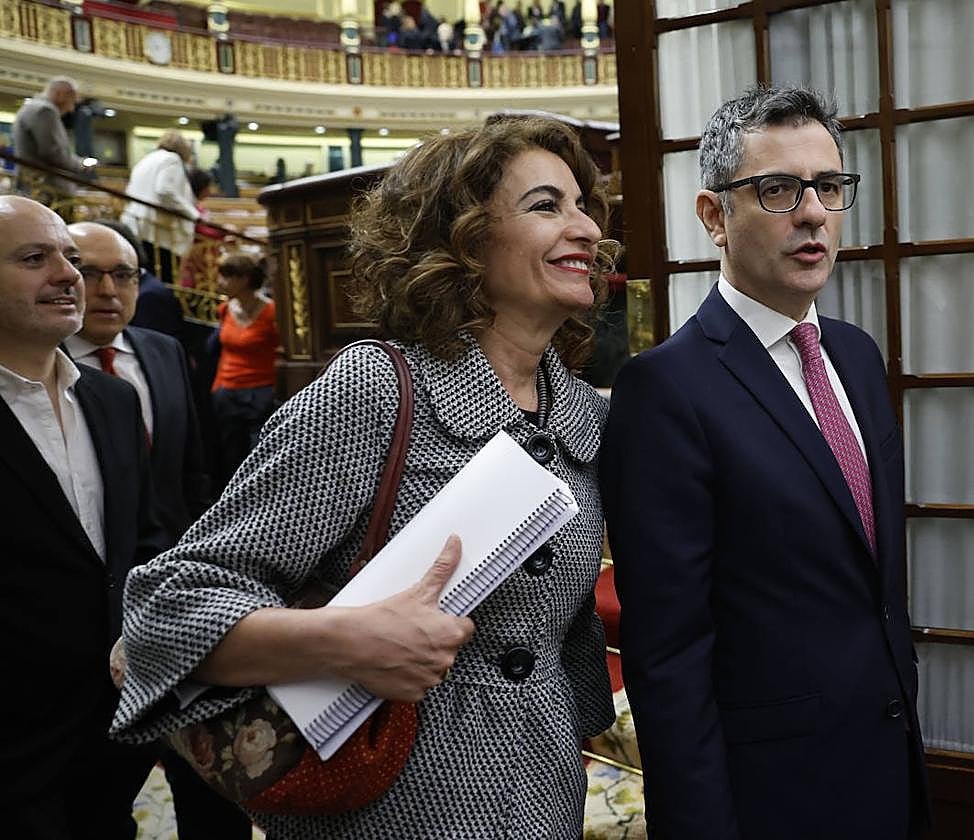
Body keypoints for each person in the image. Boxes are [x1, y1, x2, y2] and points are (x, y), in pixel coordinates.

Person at [110, 115, 616, 838]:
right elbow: (168, 607)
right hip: (383, 809)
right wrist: (347, 640)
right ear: (465, 239)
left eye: (582, 206)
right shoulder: (375, 390)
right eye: (547, 206)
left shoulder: (579, 418)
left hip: (546, 804)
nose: (588, 229)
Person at [600, 85, 930, 839]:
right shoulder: (667, 388)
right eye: (777, 189)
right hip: (768, 796)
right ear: (715, 216)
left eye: (829, 186)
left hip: (883, 760)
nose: (812, 211)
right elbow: (668, 652)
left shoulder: (855, 354)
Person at [63, 221, 252, 839]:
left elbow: (198, 469)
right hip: (92, 629)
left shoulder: (163, 350)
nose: (109, 289)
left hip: (186, 610)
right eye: (90, 272)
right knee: (100, 791)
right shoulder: (40, 372)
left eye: (125, 274)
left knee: (210, 792)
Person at [0, 195, 167, 839]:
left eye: (69, 257)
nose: (69, 275)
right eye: (34, 258)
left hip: (112, 732)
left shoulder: (113, 400)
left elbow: (142, 539)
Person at [209, 253, 279, 492]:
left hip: (260, 391)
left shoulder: (271, 312)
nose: (220, 282)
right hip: (226, 390)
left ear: (244, 279)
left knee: (257, 455)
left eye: (227, 276)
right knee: (230, 457)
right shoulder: (224, 310)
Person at [120, 129, 201, 285]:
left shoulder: (146, 159)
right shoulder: (172, 159)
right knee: (162, 277)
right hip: (154, 227)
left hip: (136, 222)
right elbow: (165, 190)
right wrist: (193, 214)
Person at [12, 76, 90, 197]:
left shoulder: (33, 107)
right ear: (61, 94)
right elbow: (53, 153)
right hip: (46, 190)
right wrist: (81, 164)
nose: (71, 109)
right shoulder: (45, 111)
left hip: (35, 186)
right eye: (72, 102)